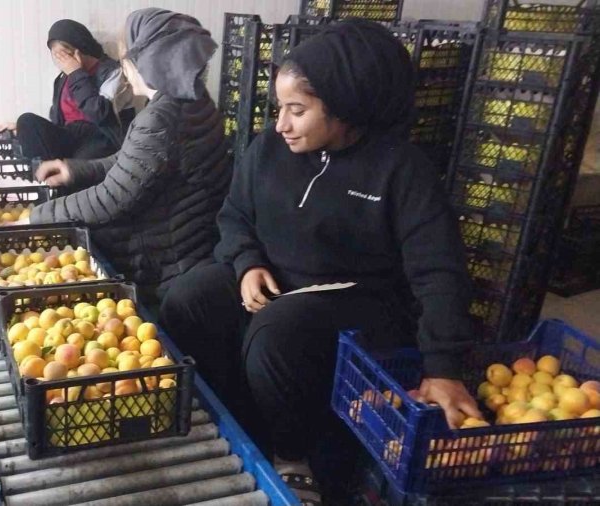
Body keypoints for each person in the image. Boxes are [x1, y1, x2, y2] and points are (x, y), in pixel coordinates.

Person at [159, 19, 480, 503]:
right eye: (278, 108)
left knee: (276, 333)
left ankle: (293, 453)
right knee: (189, 297)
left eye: (298, 110)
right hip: (275, 281)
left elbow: (439, 272)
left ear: (347, 109)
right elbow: (235, 217)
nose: (281, 124)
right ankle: (228, 419)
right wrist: (246, 263)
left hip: (357, 301)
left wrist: (444, 365)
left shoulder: (401, 171)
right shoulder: (269, 150)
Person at [16, 8, 231, 307]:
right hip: (191, 240)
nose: (123, 65)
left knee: (81, 249)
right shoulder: (194, 100)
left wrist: (37, 217)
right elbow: (131, 160)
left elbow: (110, 198)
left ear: (146, 61)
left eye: (125, 57)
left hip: (165, 257)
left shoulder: (161, 118)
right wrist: (75, 170)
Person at [0, 19, 134, 161]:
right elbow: (58, 122)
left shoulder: (112, 72)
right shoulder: (62, 79)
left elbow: (99, 113)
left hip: (101, 136)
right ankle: (51, 173)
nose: (62, 62)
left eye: (65, 55)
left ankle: (61, 175)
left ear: (80, 51)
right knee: (26, 121)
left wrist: (76, 73)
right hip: (70, 135)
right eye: (56, 56)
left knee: (77, 165)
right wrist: (24, 130)